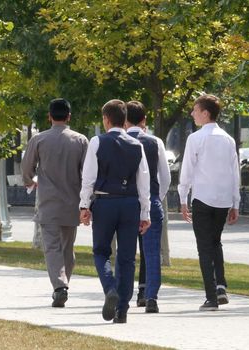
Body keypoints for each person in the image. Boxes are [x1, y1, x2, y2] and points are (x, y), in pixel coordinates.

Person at [79, 99, 151, 323]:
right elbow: (143, 182)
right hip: (130, 203)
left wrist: (84, 205)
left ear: (107, 120)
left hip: (105, 201)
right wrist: (145, 213)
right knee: (127, 259)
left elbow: (88, 178)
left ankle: (110, 288)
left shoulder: (97, 142)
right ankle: (122, 310)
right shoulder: (136, 145)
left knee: (101, 252)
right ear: (124, 119)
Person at [22, 98, 89, 308]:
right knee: (68, 248)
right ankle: (63, 284)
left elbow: (27, 168)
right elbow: (88, 174)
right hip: (72, 203)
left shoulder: (39, 139)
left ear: (49, 116)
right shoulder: (80, 140)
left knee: (52, 248)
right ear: (69, 116)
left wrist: (30, 182)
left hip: (48, 203)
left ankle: (60, 286)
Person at [178, 94, 240, 311]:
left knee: (204, 247)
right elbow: (235, 173)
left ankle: (211, 297)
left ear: (206, 113)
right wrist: (236, 203)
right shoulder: (228, 139)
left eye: (196, 110)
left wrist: (183, 199)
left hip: (203, 198)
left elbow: (186, 171)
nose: (193, 114)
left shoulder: (195, 138)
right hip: (223, 199)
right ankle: (221, 285)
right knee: (215, 242)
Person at [124, 101, 171, 313]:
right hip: (151, 200)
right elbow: (165, 177)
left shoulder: (118, 141)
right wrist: (156, 197)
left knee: (125, 253)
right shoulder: (155, 142)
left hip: (125, 201)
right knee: (151, 253)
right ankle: (150, 296)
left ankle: (122, 295)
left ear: (124, 120)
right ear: (144, 120)